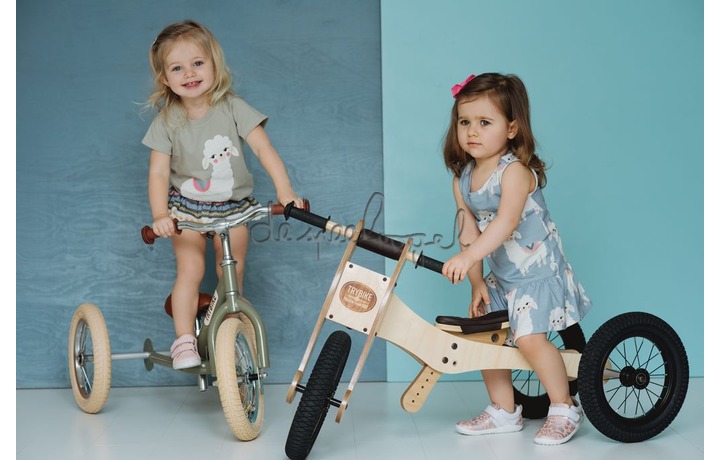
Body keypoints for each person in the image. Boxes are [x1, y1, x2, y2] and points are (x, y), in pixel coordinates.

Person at [440, 73, 592, 445]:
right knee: (483, 335)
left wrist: (469, 256)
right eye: (464, 122)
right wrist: (476, 280)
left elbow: (506, 223)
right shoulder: (463, 179)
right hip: (502, 276)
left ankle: (564, 406)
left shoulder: (516, 173)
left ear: (511, 128)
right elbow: (468, 231)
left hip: (536, 273)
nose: (472, 131)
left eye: (484, 122)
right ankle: (504, 410)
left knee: (529, 340)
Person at [142, 20, 303, 370]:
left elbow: (263, 148)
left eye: (198, 63)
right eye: (177, 68)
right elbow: (158, 173)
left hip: (234, 208)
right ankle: (184, 339)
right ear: (165, 79)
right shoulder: (167, 121)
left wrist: (285, 191)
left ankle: (230, 330)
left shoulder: (232, 107)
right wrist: (160, 215)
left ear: (215, 63)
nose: (189, 73)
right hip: (186, 210)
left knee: (232, 267)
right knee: (190, 269)